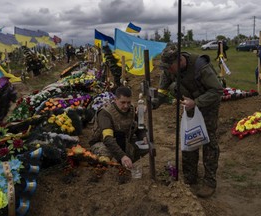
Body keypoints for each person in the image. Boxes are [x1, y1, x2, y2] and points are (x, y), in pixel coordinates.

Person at [153, 45, 223, 198]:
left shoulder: (200, 66)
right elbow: (163, 91)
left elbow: (217, 90)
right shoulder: (168, 70)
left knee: (208, 140)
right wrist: (153, 102)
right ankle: (190, 177)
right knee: (189, 137)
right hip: (189, 104)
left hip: (207, 104)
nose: (167, 70)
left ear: (179, 60)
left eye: (170, 67)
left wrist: (196, 102)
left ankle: (209, 181)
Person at [89, 86, 148, 169]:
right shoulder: (105, 113)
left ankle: (127, 162)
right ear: (115, 99)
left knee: (147, 145)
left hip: (124, 140)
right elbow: (107, 138)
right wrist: (122, 156)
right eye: (123, 102)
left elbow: (139, 128)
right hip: (104, 143)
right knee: (106, 153)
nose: (126, 106)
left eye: (128, 102)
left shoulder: (132, 110)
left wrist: (144, 137)